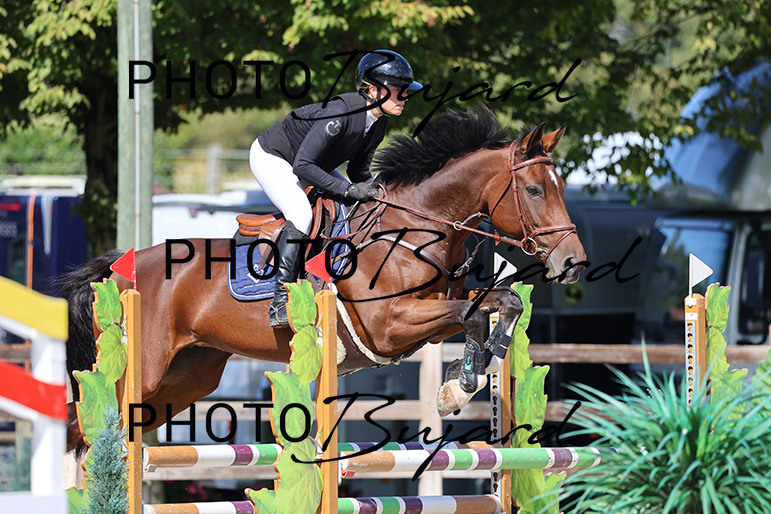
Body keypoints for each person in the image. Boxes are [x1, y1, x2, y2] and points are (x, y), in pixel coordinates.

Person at [249, 50, 422, 328]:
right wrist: (349, 190)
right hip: (274, 156)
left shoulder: (379, 123)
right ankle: (280, 301)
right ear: (373, 90)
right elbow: (303, 165)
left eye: (405, 90)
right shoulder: (341, 112)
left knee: (350, 207)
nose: (405, 96)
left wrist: (381, 192)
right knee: (301, 214)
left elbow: (358, 172)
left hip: (310, 162)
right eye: (398, 89)